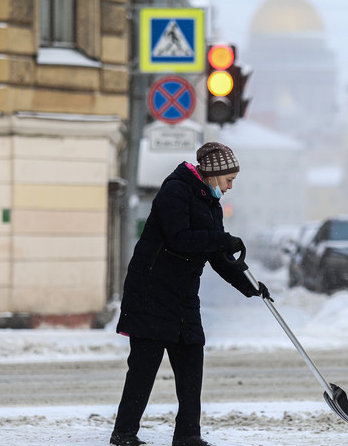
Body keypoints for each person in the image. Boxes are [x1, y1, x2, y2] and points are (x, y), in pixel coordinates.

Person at [110, 142, 271, 446]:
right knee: (144, 368)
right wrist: (222, 238)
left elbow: (216, 254)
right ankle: (124, 433)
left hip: (183, 296)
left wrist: (248, 285)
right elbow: (179, 238)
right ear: (212, 175)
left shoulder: (211, 205)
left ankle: (187, 434)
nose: (230, 187)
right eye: (228, 180)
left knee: (191, 366)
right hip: (150, 292)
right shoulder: (176, 191)